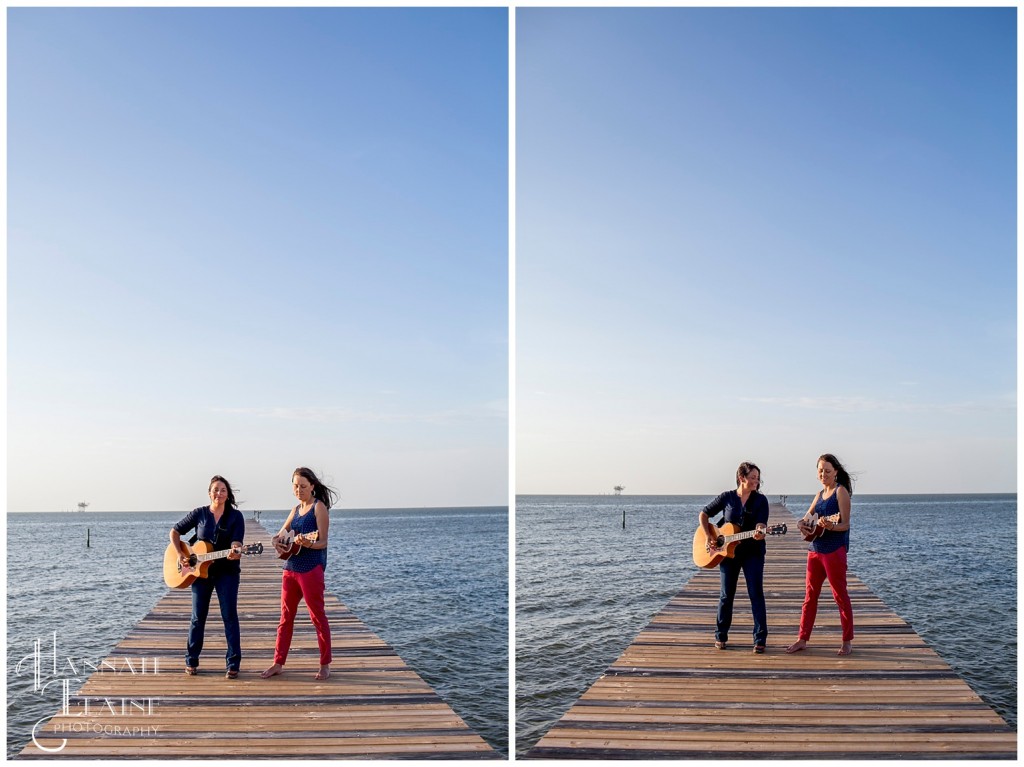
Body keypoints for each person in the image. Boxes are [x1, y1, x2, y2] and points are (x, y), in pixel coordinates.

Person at [261, 467, 338, 681]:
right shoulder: (295, 510)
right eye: (295, 486)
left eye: (303, 486)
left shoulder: (318, 507)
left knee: (318, 617)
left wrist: (308, 543)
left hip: (311, 569)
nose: (299, 490)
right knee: (285, 618)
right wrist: (276, 541)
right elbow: (280, 534)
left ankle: (325, 664)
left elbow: (323, 541)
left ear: (312, 486)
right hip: (291, 568)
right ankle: (278, 662)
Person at [169, 475, 246, 678]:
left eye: (222, 490)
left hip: (227, 572)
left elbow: (237, 541)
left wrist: (235, 550)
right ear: (209, 492)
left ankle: (233, 664)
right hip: (200, 574)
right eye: (215, 489)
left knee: (229, 616)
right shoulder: (200, 513)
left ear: (228, 494)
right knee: (197, 618)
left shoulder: (235, 516)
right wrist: (181, 555)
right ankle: (191, 660)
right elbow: (175, 532)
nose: (218, 493)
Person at [786, 453, 854, 656]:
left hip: (834, 550)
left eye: (827, 470)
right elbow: (806, 518)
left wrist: (831, 526)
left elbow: (846, 524)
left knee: (840, 596)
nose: (823, 474)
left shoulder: (840, 492)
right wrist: (801, 524)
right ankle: (802, 638)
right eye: (820, 470)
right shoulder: (819, 494)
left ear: (836, 472)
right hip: (815, 550)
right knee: (809, 597)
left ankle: (847, 640)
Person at [698, 462, 770, 653]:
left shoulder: (761, 500)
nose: (757, 481)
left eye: (758, 478)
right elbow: (704, 515)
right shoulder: (727, 497)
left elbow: (762, 524)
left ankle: (760, 639)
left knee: (756, 594)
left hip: (753, 552)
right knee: (726, 595)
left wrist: (760, 532)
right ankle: (720, 636)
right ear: (742, 478)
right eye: (753, 477)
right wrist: (710, 537)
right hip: (728, 554)